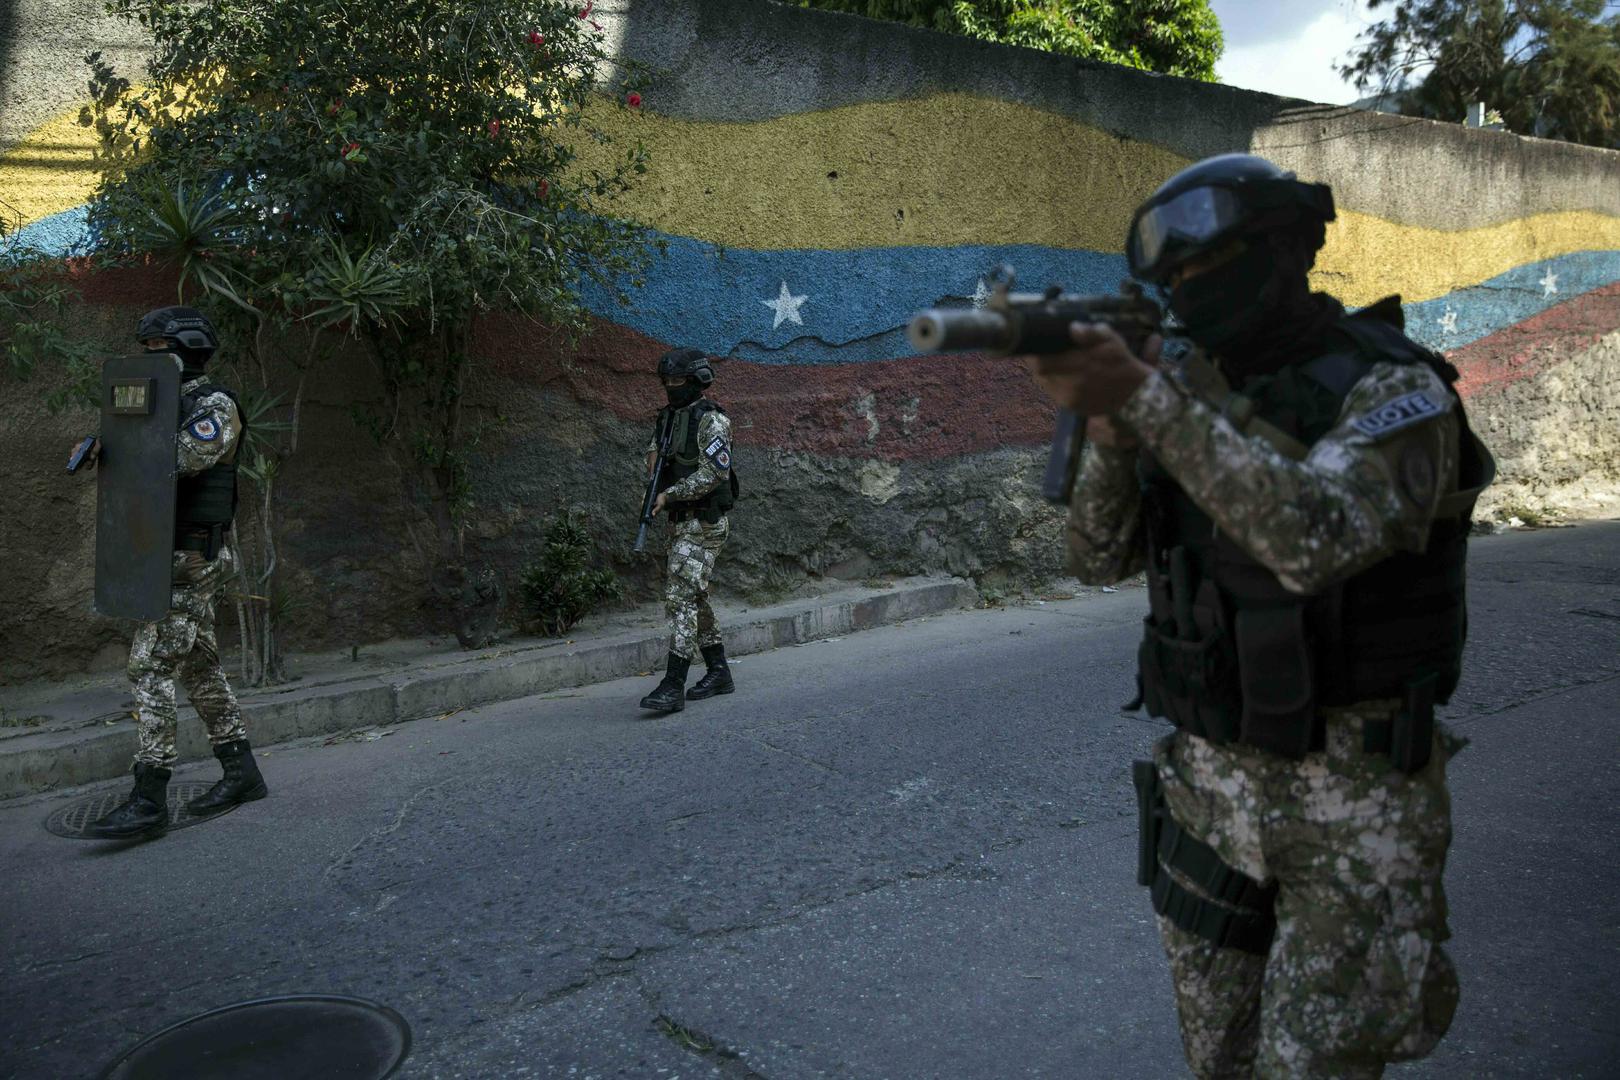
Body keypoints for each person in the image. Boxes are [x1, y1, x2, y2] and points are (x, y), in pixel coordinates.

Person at [1024, 155, 1493, 1078]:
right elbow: (1093, 557)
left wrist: (1149, 401)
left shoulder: (1393, 389)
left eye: (1212, 266)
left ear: (1286, 250)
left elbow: (1312, 541)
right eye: (1176, 281)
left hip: (1353, 807)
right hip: (1209, 798)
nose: (1193, 293)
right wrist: (1115, 440)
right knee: (1220, 1062)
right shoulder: (1189, 389)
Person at [86, 307, 268, 839]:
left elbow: (181, 458)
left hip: (190, 559)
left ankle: (149, 798)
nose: (147, 357)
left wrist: (122, 440)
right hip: (167, 555)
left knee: (150, 667)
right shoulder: (168, 402)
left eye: (156, 347)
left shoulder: (214, 406)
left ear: (183, 349)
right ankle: (241, 773)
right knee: (200, 667)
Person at [638, 348, 739, 713]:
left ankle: (672, 684)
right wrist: (652, 462)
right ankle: (719, 671)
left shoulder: (712, 421)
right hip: (681, 523)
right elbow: (656, 451)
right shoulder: (668, 417)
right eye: (666, 382)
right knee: (695, 597)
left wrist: (669, 494)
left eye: (677, 381)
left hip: (706, 522)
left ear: (698, 380)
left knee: (680, 598)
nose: (670, 388)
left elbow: (715, 473)